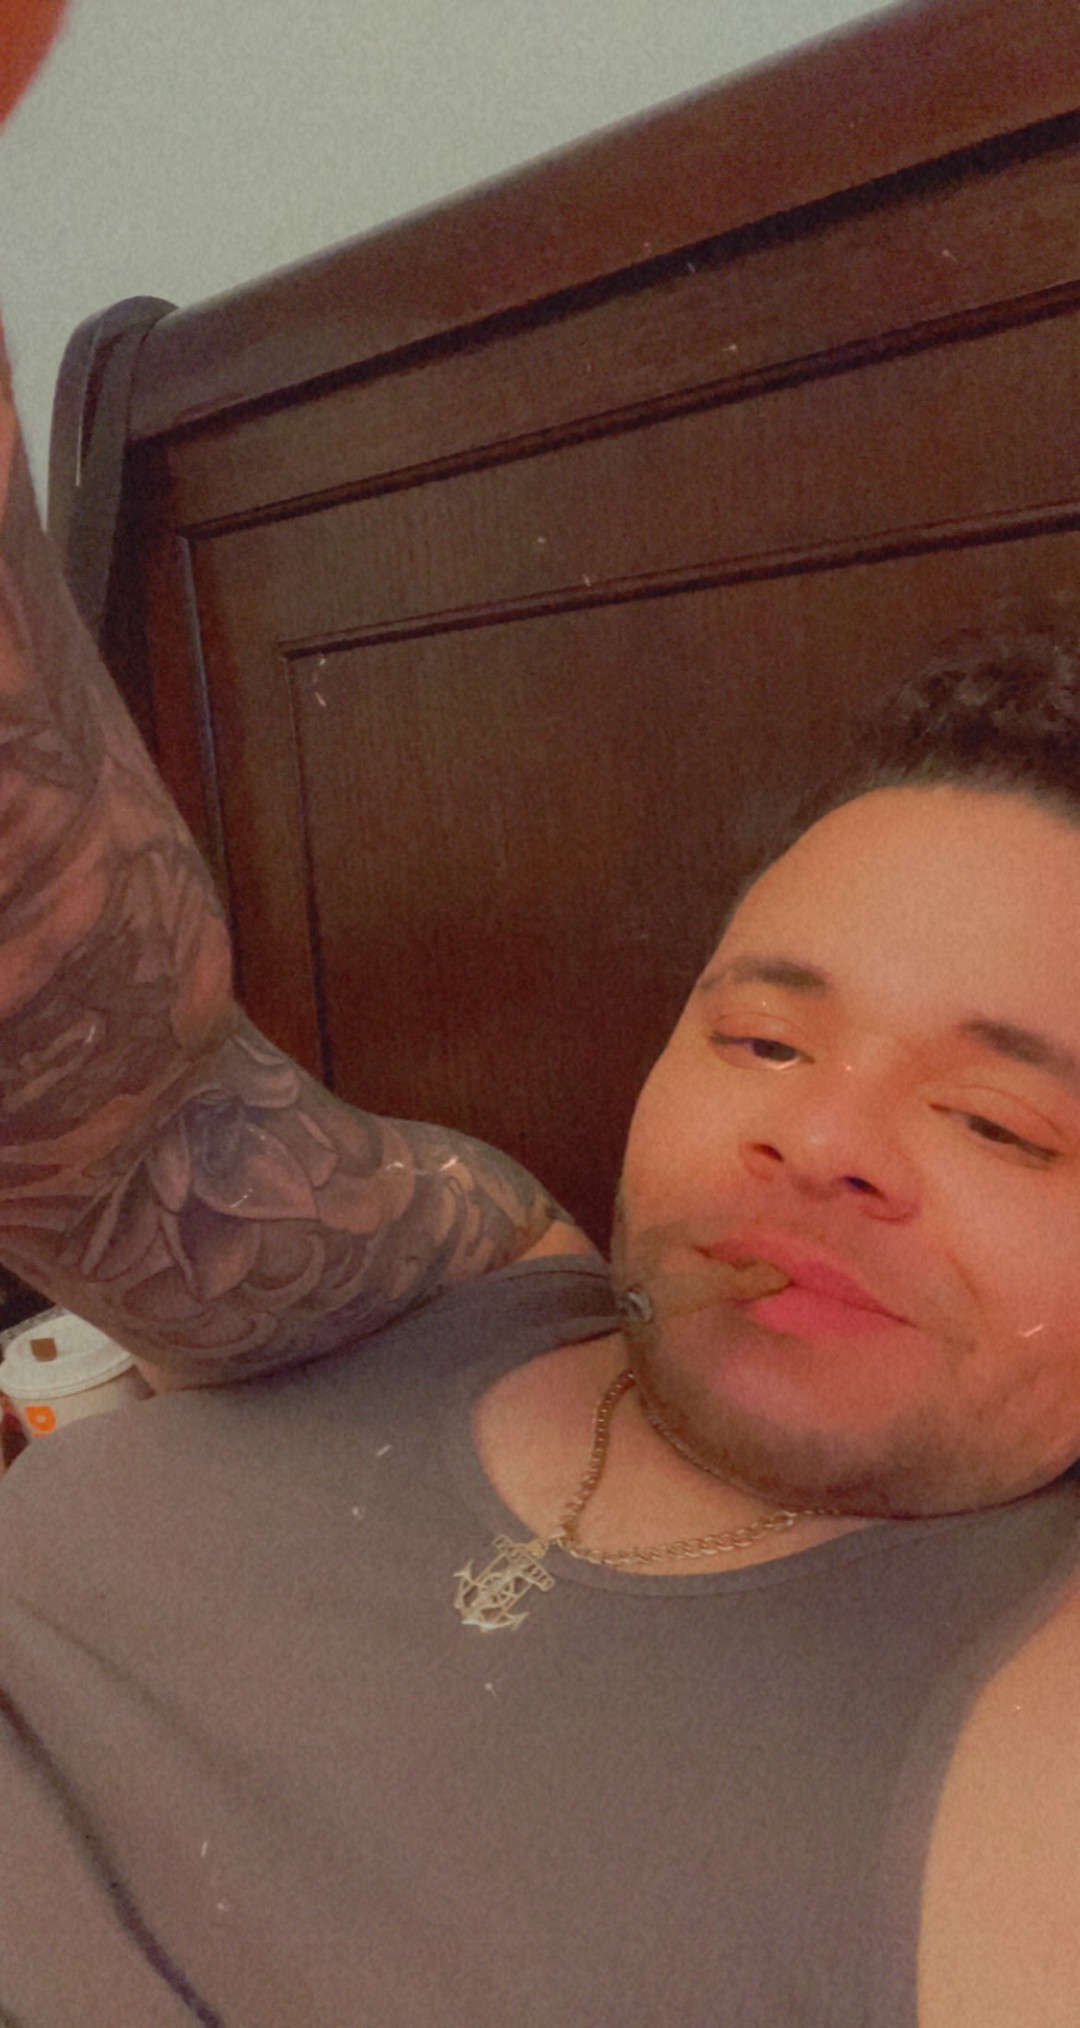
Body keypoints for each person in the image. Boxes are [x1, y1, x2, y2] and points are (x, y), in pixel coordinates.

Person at [1, 14, 1079, 2028]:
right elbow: (86, 1073)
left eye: (1004, 1124)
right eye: (761, 1040)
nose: (818, 1136)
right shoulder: (464, 1273)